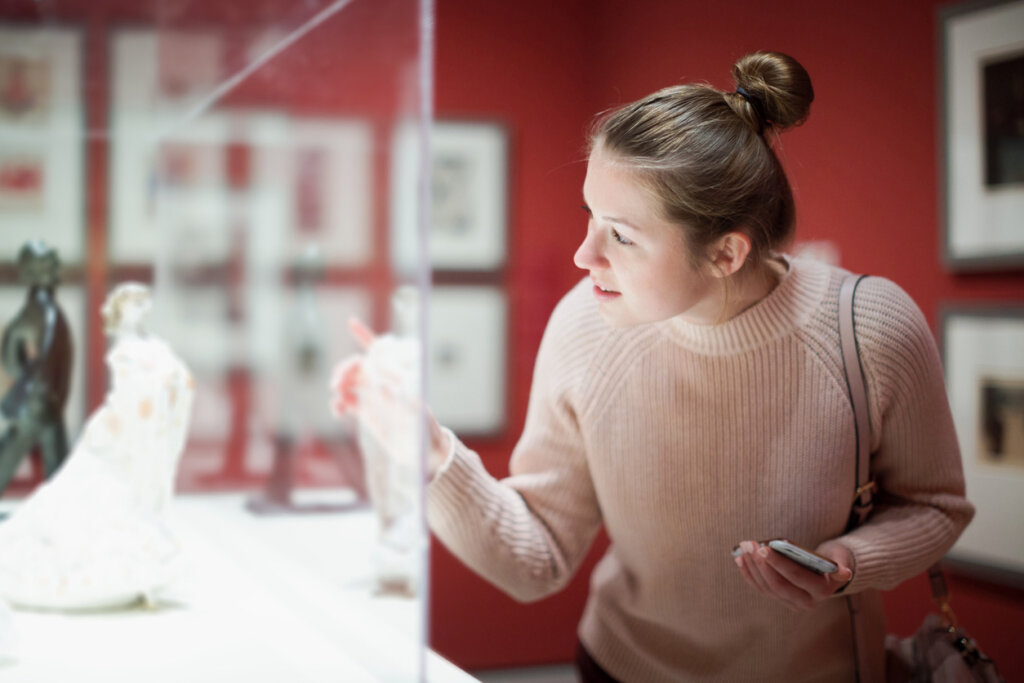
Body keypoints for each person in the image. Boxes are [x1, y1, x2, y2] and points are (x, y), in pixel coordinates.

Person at [333, 51, 974, 682]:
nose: (585, 256)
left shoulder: (870, 329)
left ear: (725, 253)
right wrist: (430, 454)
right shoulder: (584, 324)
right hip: (621, 668)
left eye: (622, 235)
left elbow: (937, 508)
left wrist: (847, 563)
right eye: (590, 216)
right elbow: (537, 560)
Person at [0, 283, 194, 610]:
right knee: (88, 489)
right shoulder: (123, 351)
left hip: (140, 429)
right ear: (120, 308)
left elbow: (173, 378)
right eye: (133, 303)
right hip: (124, 426)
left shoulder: (154, 344)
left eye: (143, 302)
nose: (141, 308)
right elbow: (134, 390)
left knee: (124, 492)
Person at [0, 240, 73, 497]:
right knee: (16, 457)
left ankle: (61, 511)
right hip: (42, 404)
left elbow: (10, 355)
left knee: (54, 467)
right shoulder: (47, 314)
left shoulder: (35, 313)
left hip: (40, 405)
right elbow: (11, 354)